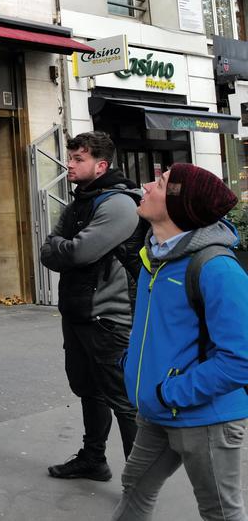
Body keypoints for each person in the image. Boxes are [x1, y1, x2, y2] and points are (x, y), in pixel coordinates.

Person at [112, 164, 248, 521]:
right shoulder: (153, 258)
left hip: (204, 417)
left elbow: (241, 359)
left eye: (158, 183)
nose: (146, 185)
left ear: (179, 204)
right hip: (158, 410)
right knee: (135, 488)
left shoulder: (217, 268)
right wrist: (132, 366)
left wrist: (168, 392)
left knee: (220, 512)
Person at [40, 131, 140, 481]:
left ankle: (140, 480)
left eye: (78, 158)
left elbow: (78, 251)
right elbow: (47, 249)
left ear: (101, 165)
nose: (69, 163)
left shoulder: (118, 203)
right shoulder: (81, 200)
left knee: (123, 400)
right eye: (71, 157)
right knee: (88, 389)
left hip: (108, 316)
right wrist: (61, 248)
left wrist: (60, 248)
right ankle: (93, 459)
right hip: (79, 311)